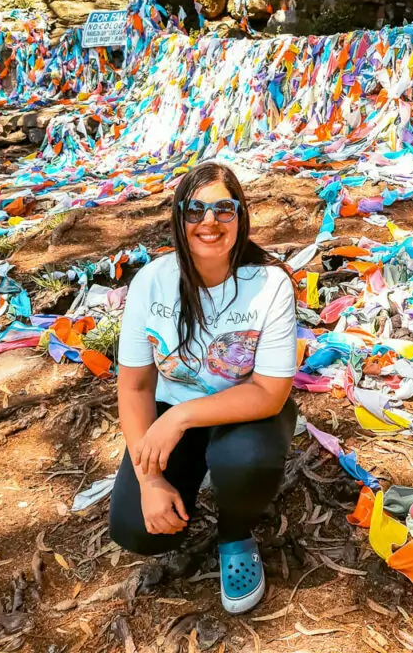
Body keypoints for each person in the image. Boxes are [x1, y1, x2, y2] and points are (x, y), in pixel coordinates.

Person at [109, 162, 298, 614]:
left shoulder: (270, 284)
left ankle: (236, 533)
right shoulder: (151, 282)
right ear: (178, 218)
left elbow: (269, 392)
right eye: (195, 210)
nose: (209, 222)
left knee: (245, 461)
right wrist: (149, 479)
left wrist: (179, 417)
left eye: (223, 209)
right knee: (135, 530)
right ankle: (188, 480)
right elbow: (135, 387)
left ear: (240, 215)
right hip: (173, 408)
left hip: (246, 411)